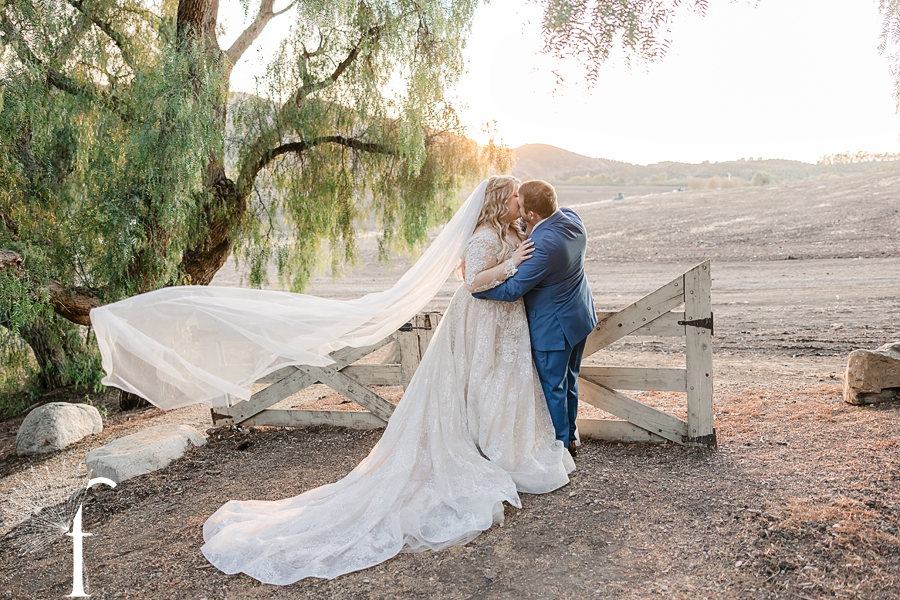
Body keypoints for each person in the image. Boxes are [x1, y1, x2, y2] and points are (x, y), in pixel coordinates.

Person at [92, 176, 574, 584]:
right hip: (480, 321)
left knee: (500, 391)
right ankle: (482, 454)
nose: (518, 203)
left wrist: (518, 253)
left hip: (505, 325)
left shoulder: (511, 228)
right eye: (512, 197)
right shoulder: (485, 236)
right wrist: (511, 263)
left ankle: (505, 450)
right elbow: (472, 280)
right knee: (478, 390)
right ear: (498, 201)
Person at [472, 180, 597, 457]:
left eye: (521, 202)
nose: (517, 203)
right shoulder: (571, 217)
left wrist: (477, 289)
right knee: (570, 381)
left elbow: (513, 289)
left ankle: (560, 449)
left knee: (553, 387)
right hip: (580, 316)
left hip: (554, 327)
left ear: (531, 215)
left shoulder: (543, 244)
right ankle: (571, 435)